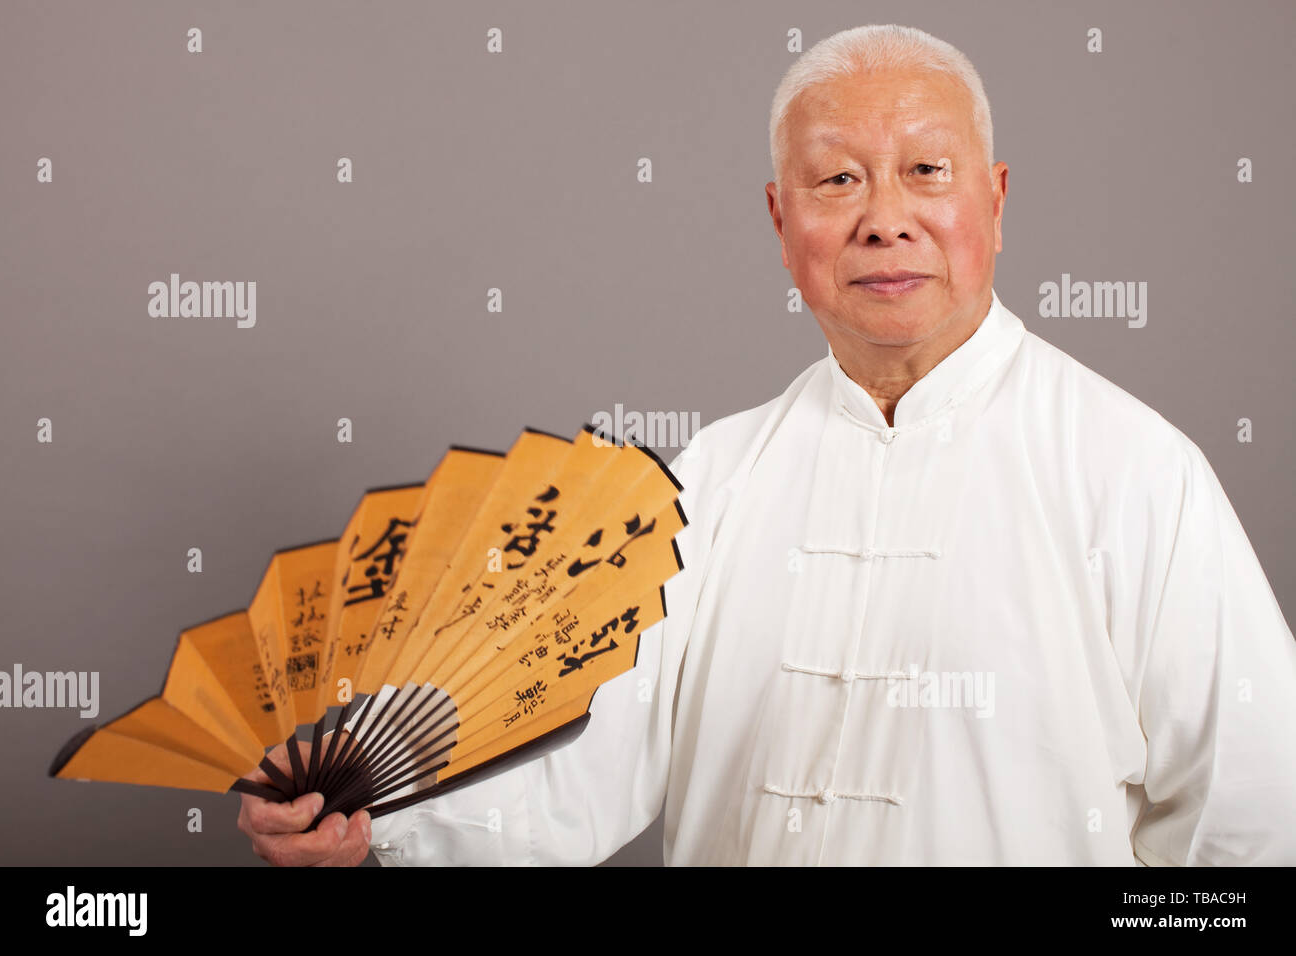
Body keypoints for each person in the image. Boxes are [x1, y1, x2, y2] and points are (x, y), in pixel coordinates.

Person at [238, 23, 1296, 866]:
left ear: (995, 199)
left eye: (926, 169)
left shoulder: (1138, 473)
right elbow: (584, 769)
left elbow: (1256, 814)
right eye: (837, 181)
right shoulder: (706, 481)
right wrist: (375, 823)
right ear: (779, 219)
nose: (884, 218)